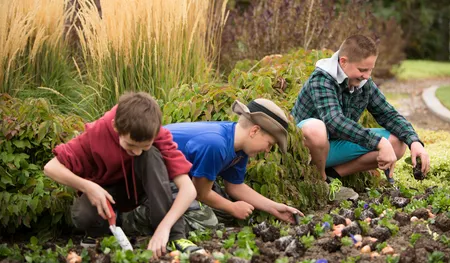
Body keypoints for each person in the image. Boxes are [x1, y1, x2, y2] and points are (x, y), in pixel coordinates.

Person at [43, 92, 202, 259]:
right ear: (115, 127)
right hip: (107, 192)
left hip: (141, 188)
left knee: (151, 156)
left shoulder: (154, 132)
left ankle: (176, 237)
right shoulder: (96, 133)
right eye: (131, 145)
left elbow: (189, 189)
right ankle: (102, 232)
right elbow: (50, 167)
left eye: (144, 145)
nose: (137, 151)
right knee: (82, 215)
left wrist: (165, 227)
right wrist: (88, 187)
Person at [291, 34, 430, 184]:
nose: (367, 76)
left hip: (334, 146)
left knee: (397, 142)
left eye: (370, 70)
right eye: (363, 70)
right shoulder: (321, 80)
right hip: (306, 148)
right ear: (343, 62)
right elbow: (334, 121)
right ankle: (319, 181)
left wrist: (414, 141)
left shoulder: (364, 83)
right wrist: (379, 142)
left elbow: (388, 114)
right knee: (315, 129)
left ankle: (332, 175)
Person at [164, 99, 304, 227]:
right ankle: (146, 215)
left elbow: (234, 187)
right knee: (208, 221)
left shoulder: (239, 146)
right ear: (254, 131)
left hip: (184, 179)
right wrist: (232, 207)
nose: (267, 150)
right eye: (269, 144)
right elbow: (201, 193)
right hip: (156, 175)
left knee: (225, 213)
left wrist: (274, 207)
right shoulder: (216, 144)